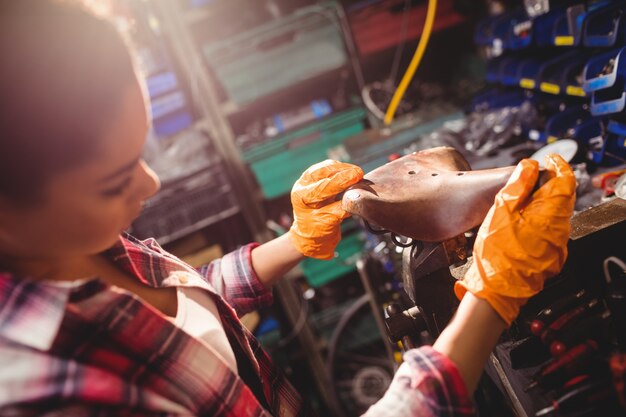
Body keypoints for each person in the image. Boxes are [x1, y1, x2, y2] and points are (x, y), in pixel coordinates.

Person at [0, 1, 576, 416]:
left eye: (141, 154)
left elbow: (176, 319)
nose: (149, 184)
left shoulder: (74, 241)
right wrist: (490, 301)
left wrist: (297, 241)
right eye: (114, 181)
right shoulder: (51, 394)